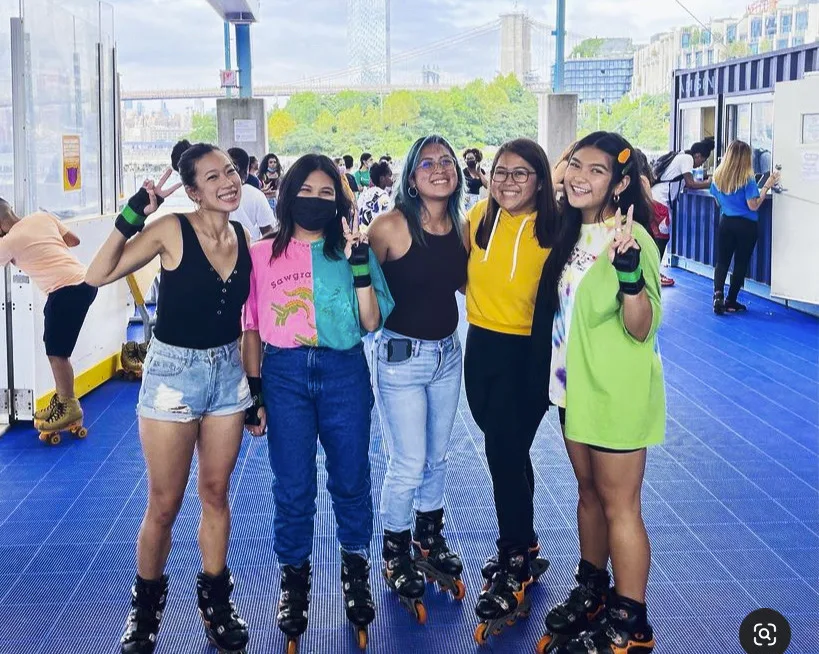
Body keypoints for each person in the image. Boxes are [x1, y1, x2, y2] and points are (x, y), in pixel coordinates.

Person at [86, 143, 254, 654]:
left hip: (227, 375)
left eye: (230, 170)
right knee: (164, 503)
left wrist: (256, 385)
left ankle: (216, 602)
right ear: (192, 190)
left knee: (216, 493)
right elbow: (98, 273)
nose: (227, 180)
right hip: (172, 377)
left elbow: (250, 322)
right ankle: (145, 608)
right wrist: (136, 211)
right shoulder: (170, 229)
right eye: (212, 176)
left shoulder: (242, 234)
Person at [241, 154, 394, 651]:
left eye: (328, 193)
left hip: (344, 370)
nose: (317, 200)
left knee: (351, 478)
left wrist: (359, 267)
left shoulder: (353, 250)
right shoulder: (262, 255)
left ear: (340, 200)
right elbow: (252, 326)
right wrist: (255, 391)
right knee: (292, 485)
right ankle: (295, 581)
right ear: (288, 195)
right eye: (307, 190)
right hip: (283, 375)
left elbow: (371, 323)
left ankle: (355, 571)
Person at [531, 131, 664, 654]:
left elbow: (641, 326)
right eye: (575, 166)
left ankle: (632, 621)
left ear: (621, 183)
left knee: (621, 506)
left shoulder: (631, 239)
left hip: (616, 394)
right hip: (572, 392)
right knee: (589, 495)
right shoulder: (569, 234)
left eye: (597, 170)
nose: (580, 178)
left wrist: (629, 272)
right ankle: (593, 589)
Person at [367, 135, 469, 620]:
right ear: (411, 177)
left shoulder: (462, 226)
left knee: (438, 456)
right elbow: (354, 284)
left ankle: (429, 537)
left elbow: (471, 284)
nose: (438, 169)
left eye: (446, 161)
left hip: (449, 354)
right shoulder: (388, 226)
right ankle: (396, 549)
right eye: (426, 163)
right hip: (401, 359)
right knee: (408, 461)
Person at [464, 138, 559, 644]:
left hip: (530, 353)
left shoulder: (556, 227)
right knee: (507, 447)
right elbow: (464, 275)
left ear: (540, 179)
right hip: (480, 344)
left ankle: (515, 557)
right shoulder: (479, 215)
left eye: (520, 174)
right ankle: (527, 540)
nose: (508, 182)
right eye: (500, 172)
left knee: (502, 449)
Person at [0, 199, 97, 434]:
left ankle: (68, 406)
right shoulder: (41, 217)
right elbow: (74, 240)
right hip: (85, 282)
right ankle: (63, 399)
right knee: (55, 347)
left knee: (57, 354)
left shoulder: (9, 242)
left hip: (64, 290)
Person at [710, 140, 780, 315]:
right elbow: (753, 205)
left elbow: (718, 202)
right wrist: (766, 186)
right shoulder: (747, 180)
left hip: (726, 223)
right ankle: (731, 301)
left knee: (722, 261)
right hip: (746, 226)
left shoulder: (717, 178)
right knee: (740, 263)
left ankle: (718, 294)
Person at [650, 138, 714, 286]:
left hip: (655, 198)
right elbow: (690, 183)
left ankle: (651, 271)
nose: (700, 165)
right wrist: (708, 183)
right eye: (702, 161)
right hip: (660, 201)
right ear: (697, 155)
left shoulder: (680, 155)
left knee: (654, 237)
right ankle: (653, 273)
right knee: (661, 238)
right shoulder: (687, 159)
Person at [228, 147, 276, 241]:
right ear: (246, 173)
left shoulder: (212, 194)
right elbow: (268, 232)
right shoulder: (256, 195)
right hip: (250, 250)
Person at [357, 160, 393, 228]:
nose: (392, 179)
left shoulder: (364, 194)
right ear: (382, 179)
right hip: (376, 234)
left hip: (362, 233)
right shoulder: (384, 198)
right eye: (390, 176)